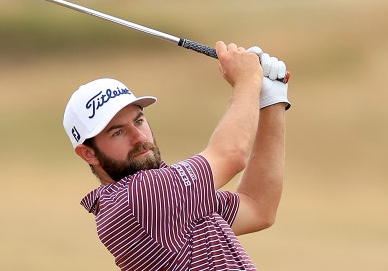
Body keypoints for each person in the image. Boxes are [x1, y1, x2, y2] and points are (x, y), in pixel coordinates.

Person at [62, 41, 290, 270]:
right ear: (88, 153)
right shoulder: (138, 198)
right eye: (118, 132)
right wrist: (247, 80)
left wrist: (271, 101)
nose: (139, 137)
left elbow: (258, 207)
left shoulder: (170, 200)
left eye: (139, 121)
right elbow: (231, 154)